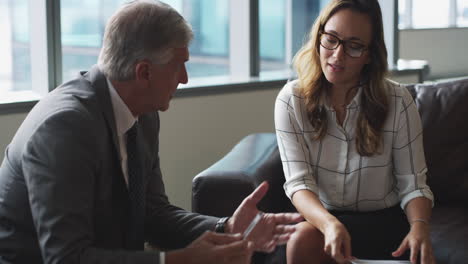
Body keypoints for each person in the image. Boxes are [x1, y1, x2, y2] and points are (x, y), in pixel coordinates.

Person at [0, 1, 302, 263]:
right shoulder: (65, 128)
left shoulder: (142, 114)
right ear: (144, 72)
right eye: (179, 66)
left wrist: (227, 227)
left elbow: (153, 215)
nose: (184, 79)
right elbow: (65, 258)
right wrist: (179, 261)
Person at [274, 0, 435, 264]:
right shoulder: (292, 100)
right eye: (332, 39)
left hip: (384, 223)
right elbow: (298, 184)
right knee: (303, 239)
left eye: (354, 46)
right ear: (319, 37)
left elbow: (413, 184)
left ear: (370, 54)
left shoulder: (398, 101)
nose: (337, 55)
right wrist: (329, 224)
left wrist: (419, 226)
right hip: (322, 219)